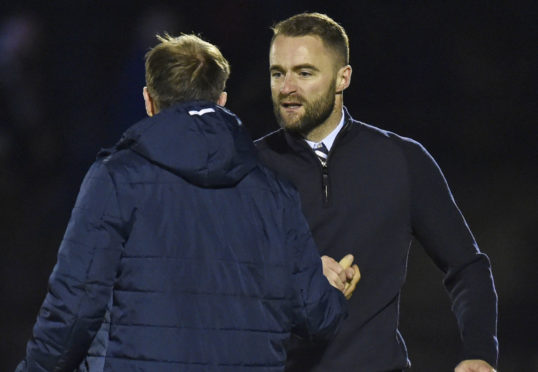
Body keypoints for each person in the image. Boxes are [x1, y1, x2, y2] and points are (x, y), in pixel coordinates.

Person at [15, 33, 349, 372]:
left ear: (148, 101)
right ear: (221, 100)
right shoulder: (276, 194)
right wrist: (330, 288)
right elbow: (316, 317)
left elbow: (73, 312)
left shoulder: (116, 179)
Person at [255, 12, 498, 372]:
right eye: (278, 73)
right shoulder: (249, 168)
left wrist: (479, 352)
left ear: (343, 78)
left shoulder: (401, 160)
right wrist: (298, 276)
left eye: (304, 73)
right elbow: (216, 281)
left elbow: (467, 267)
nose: (287, 87)